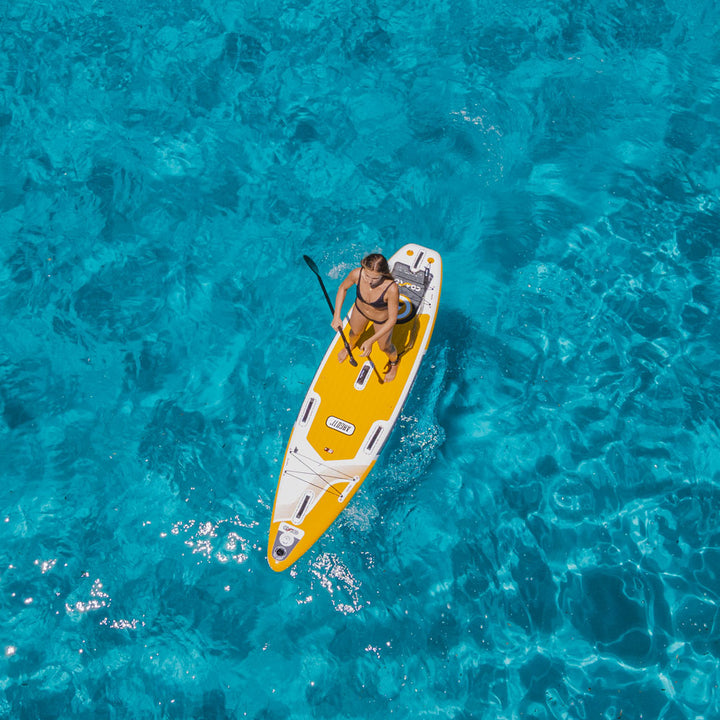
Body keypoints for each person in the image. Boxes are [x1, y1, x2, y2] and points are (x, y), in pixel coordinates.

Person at [331, 253, 400, 382]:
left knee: (385, 347)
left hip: (381, 319)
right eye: (367, 275)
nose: (369, 281)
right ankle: (350, 345)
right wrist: (336, 316)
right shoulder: (357, 274)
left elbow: (392, 320)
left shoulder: (391, 288)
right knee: (354, 333)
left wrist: (370, 341)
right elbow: (342, 288)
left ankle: (394, 362)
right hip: (360, 311)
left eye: (375, 278)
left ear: (384, 274)